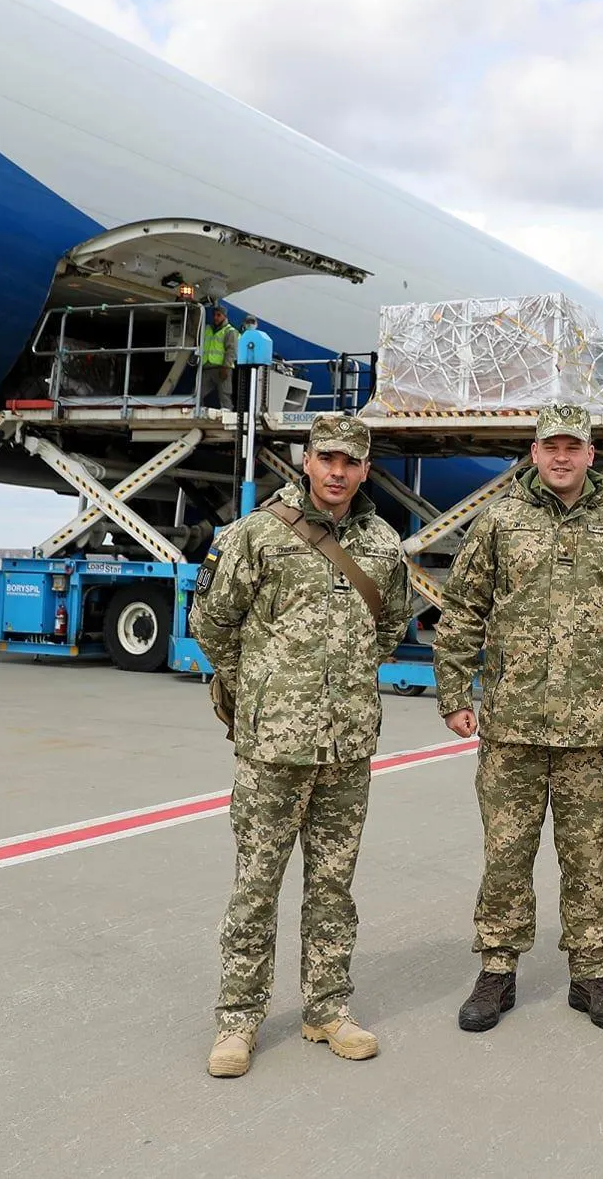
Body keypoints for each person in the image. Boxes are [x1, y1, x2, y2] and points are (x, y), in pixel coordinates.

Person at [436, 404, 603, 1034]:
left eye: (574, 447)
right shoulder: (500, 523)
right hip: (511, 724)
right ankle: (496, 969)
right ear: (535, 454)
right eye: (551, 448)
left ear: (591, 454)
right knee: (505, 853)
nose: (562, 458)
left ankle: (591, 974)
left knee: (589, 857)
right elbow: (462, 610)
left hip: (591, 731)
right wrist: (455, 693)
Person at [190, 413, 410, 1079]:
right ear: (306, 461)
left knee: (333, 887)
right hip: (272, 749)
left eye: (351, 460)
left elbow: (394, 623)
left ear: (366, 469)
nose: (338, 471)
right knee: (255, 886)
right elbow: (213, 622)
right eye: (327, 458)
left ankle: (326, 1008)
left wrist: (341, 682)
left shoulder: (382, 543)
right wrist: (259, 685)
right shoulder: (256, 534)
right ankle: (237, 1020)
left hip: (346, 747)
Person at [200, 305, 235, 410]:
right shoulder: (208, 329)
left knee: (225, 395)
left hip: (222, 369)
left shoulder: (229, 331)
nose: (215, 317)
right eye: (214, 315)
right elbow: (194, 331)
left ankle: (227, 416)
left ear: (224, 316)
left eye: (218, 315)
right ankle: (197, 414)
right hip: (208, 368)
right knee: (197, 393)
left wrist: (226, 367)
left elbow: (231, 350)